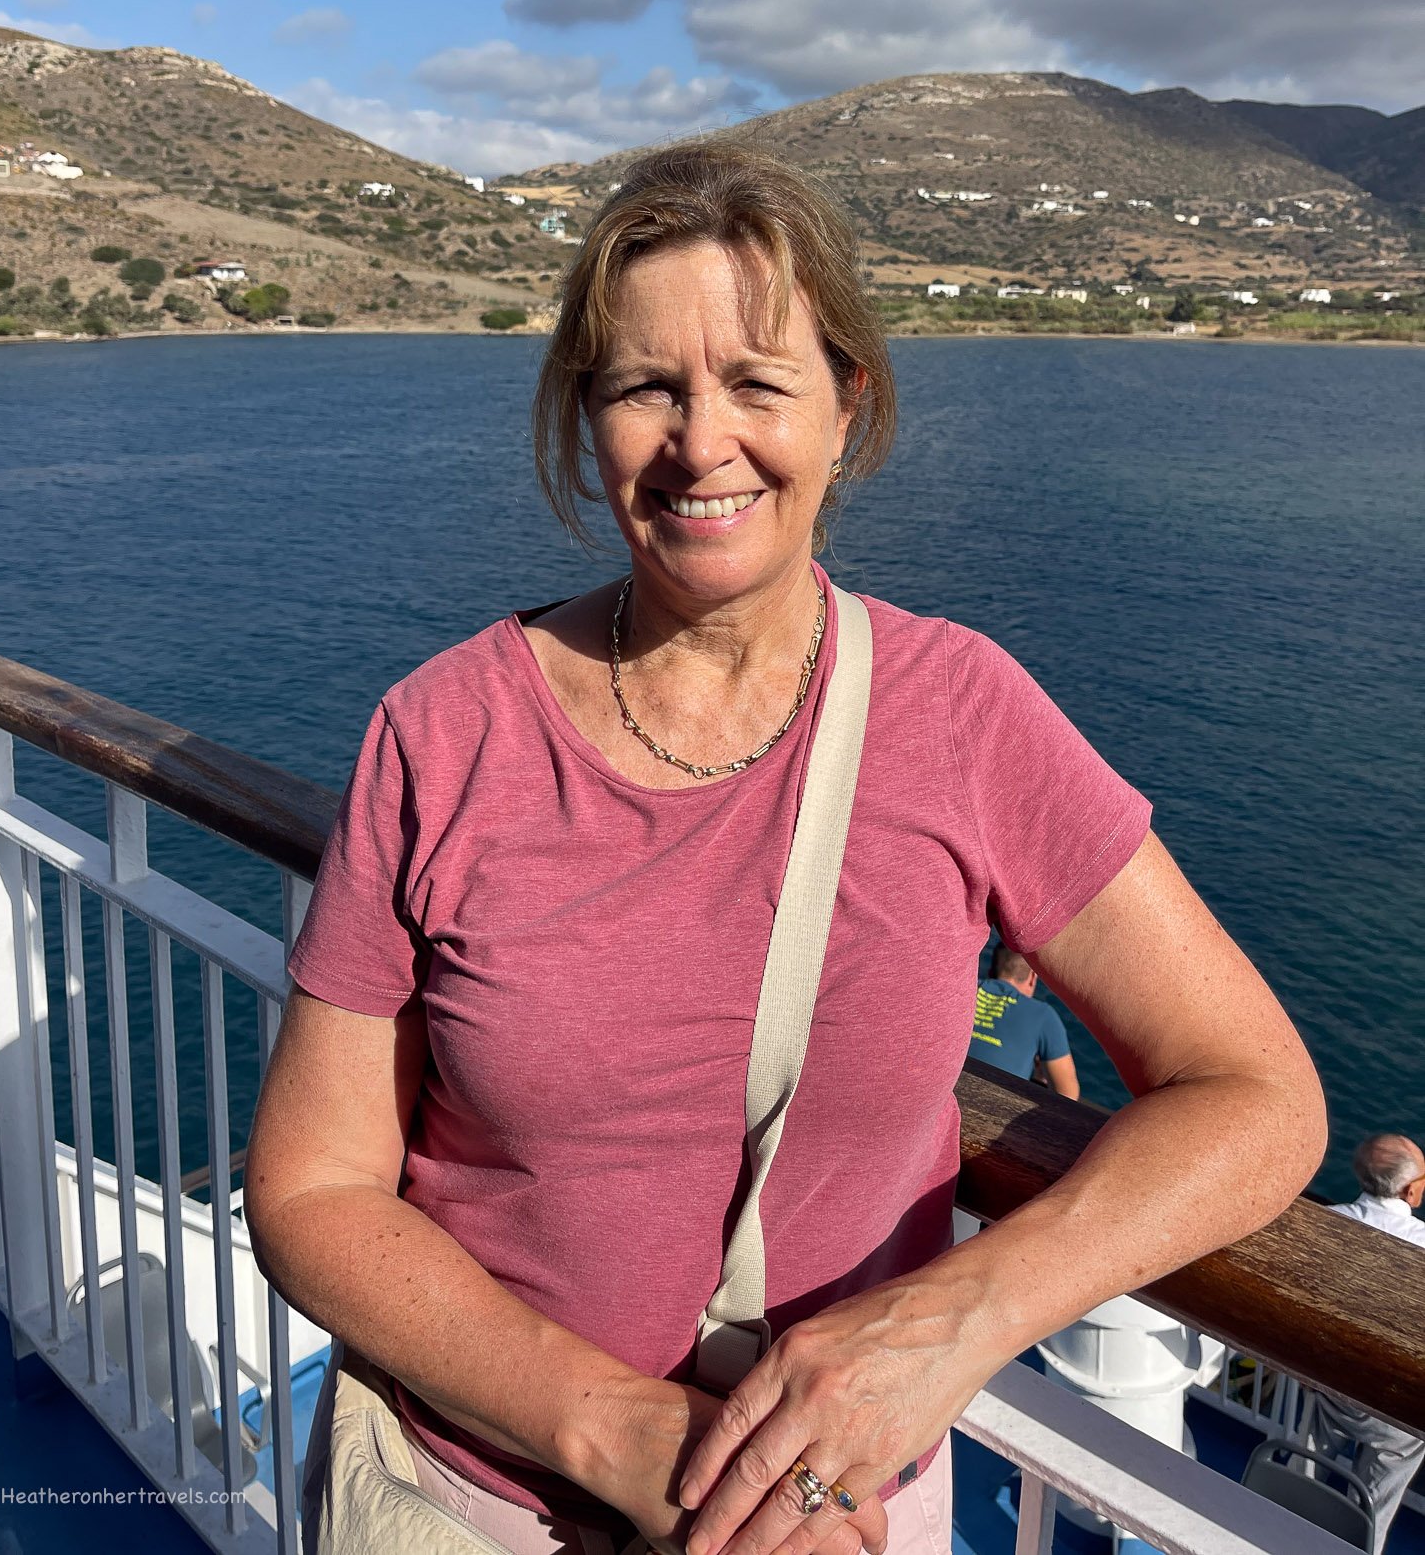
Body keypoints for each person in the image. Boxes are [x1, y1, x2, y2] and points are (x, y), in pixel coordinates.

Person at [243, 141, 1327, 1555]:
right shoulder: (444, 733)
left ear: (843, 407)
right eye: (648, 387)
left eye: (759, 382)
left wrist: (942, 1330)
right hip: (480, 1499)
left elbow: (1256, 1096)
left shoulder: (963, 712)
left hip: (834, 1520)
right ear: (589, 416)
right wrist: (618, 1433)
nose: (704, 444)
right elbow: (315, 1186)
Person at [1303, 1134, 1425, 1549]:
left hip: (1334, 1384)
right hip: (1394, 1404)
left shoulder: (1329, 1223)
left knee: (1311, 1456)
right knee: (1379, 1497)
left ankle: (1286, 1519)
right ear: (1411, 1190)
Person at [969, 942, 1080, 1097]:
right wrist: (1039, 1080)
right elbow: (1068, 1096)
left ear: (989, 973)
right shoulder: (1044, 1015)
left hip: (941, 1109)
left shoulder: (963, 992)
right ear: (1033, 978)